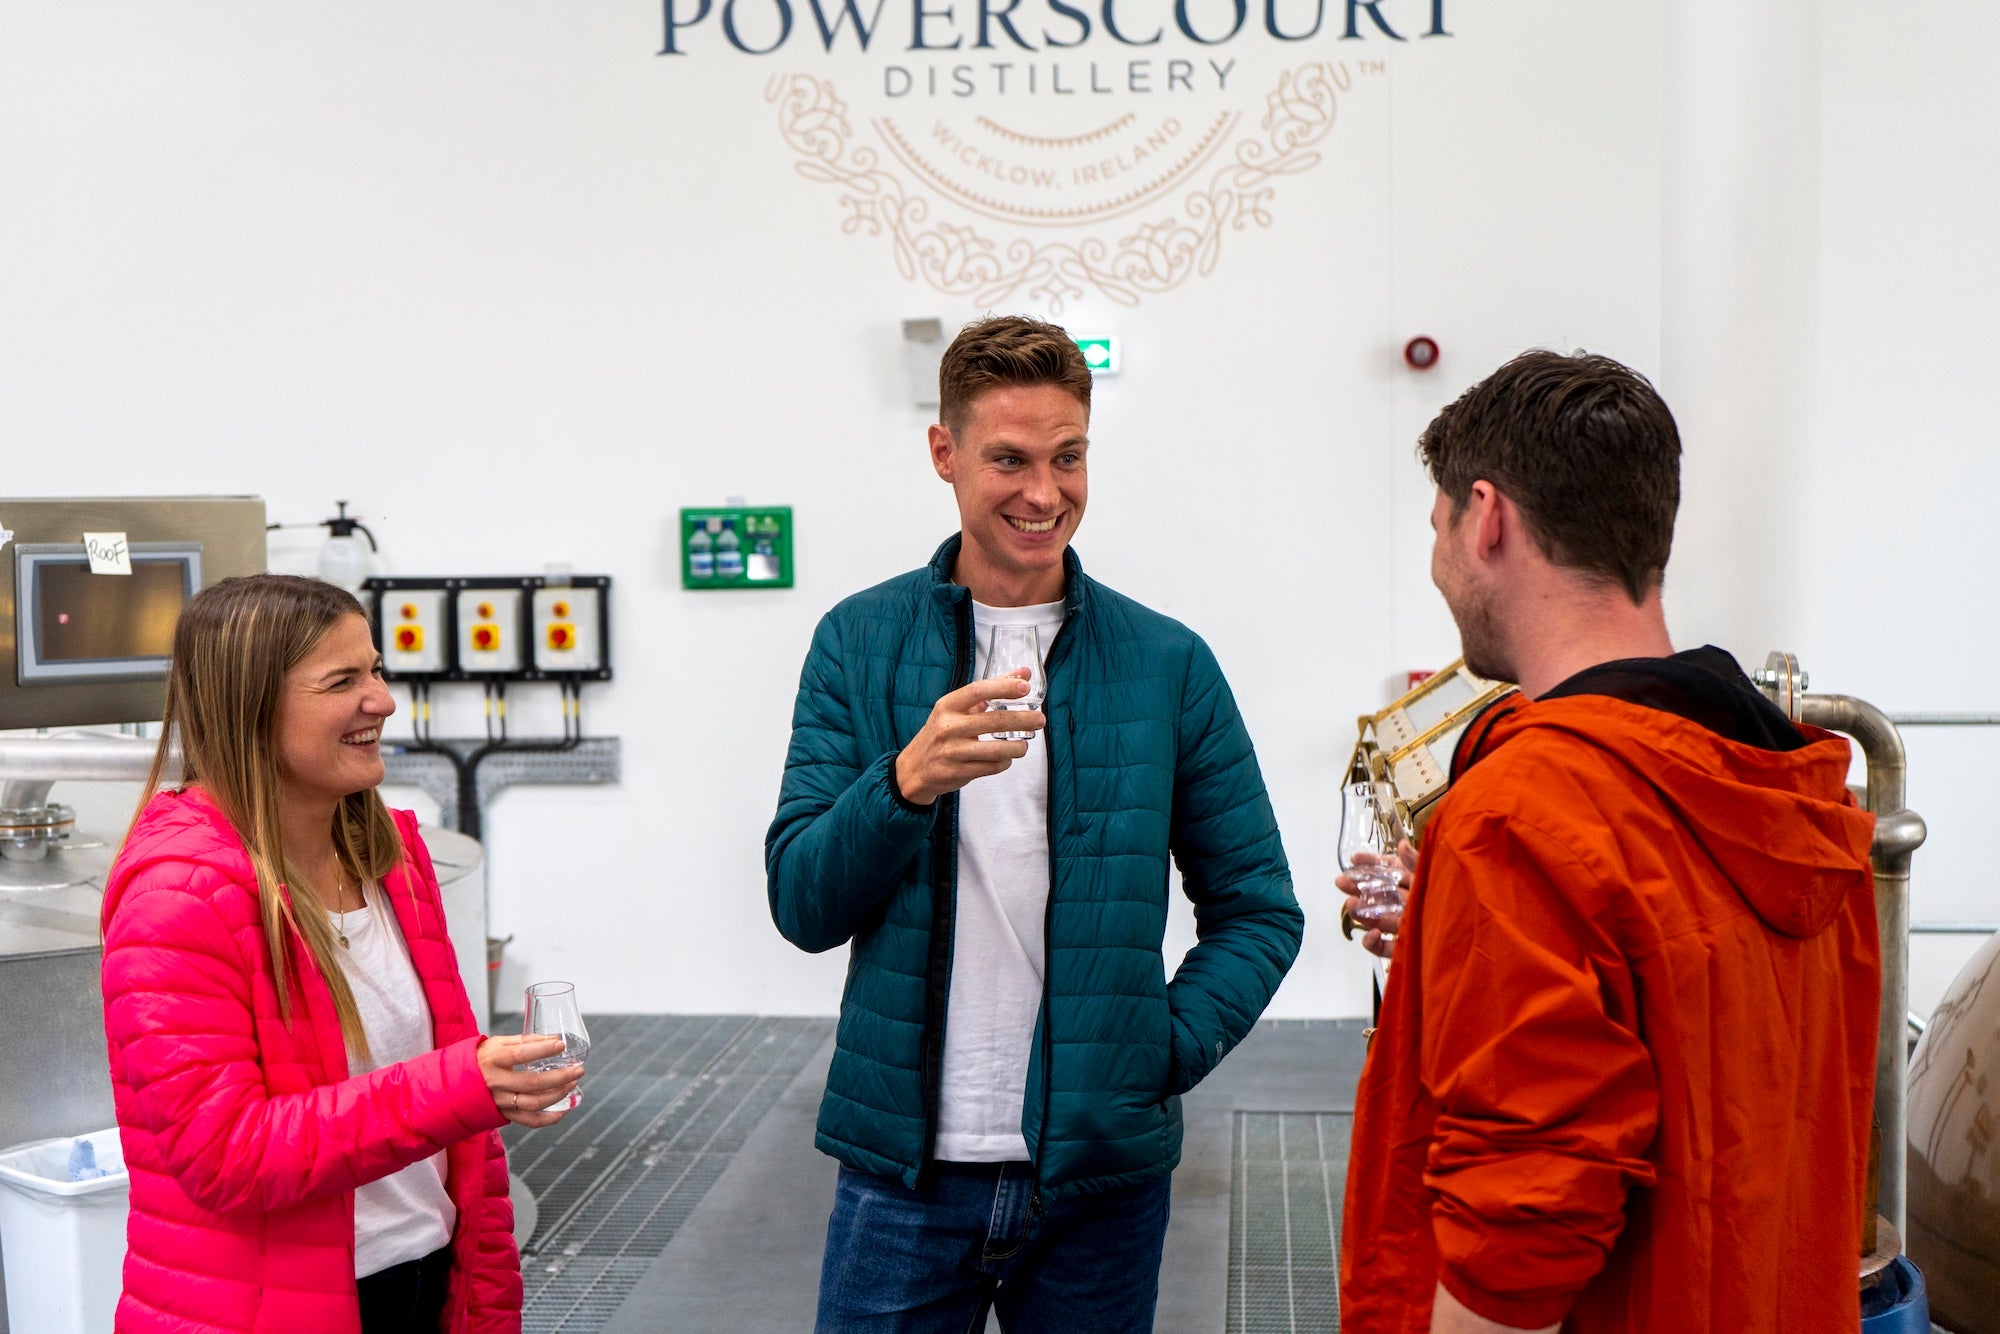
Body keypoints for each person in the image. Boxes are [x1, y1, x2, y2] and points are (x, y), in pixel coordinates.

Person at [767, 314, 1303, 1331]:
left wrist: (1155, 1047)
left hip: (1097, 1179)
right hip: (903, 1172)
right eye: (1008, 458)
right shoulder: (856, 641)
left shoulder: (1164, 662)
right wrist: (905, 782)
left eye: (1067, 458)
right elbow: (801, 899)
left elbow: (1257, 907)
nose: (1043, 493)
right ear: (943, 452)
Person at [1337, 351, 1880, 1332]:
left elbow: (1517, 1241)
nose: (1436, 564)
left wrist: (1483, 898)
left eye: (1438, 528)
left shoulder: (1520, 814)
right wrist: (1453, 939)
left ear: (1487, 516)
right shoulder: (1791, 796)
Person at [100, 574, 585, 1333]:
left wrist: (484, 1294)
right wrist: (460, 1085)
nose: (384, 700)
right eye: (343, 681)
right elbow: (224, 1155)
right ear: (251, 708)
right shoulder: (178, 898)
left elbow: (453, 1133)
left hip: (425, 1276)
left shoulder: (391, 856)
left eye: (378, 669)